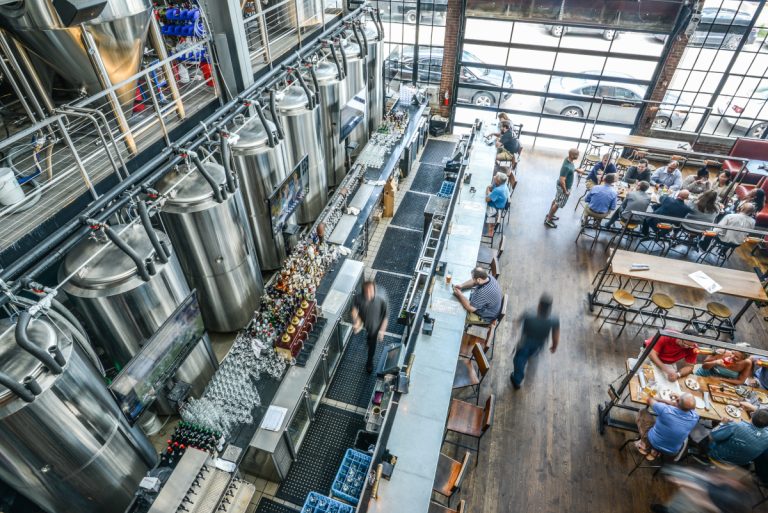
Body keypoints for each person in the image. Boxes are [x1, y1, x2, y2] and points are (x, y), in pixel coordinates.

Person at [509, 294, 559, 390]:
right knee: (533, 363)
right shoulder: (554, 318)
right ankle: (529, 382)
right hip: (539, 346)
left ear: (539, 304)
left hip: (524, 344)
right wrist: (554, 346)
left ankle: (517, 381)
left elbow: (517, 322)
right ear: (549, 307)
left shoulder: (529, 312)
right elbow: (556, 334)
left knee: (519, 361)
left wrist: (514, 331)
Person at [635, 392, 698, 459]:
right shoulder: (695, 417)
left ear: (677, 400)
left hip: (652, 442)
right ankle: (655, 452)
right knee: (664, 426)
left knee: (642, 412)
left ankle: (645, 445)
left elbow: (649, 399)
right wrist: (680, 400)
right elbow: (691, 407)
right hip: (672, 452)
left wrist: (661, 399)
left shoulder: (665, 410)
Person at [351, 281, 389, 373]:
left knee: (372, 344)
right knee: (369, 336)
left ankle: (369, 362)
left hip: (375, 324)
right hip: (365, 319)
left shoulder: (381, 300)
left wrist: (382, 331)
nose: (368, 293)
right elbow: (354, 309)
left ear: (374, 290)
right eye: (366, 291)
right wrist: (357, 321)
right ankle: (368, 338)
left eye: (370, 290)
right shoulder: (358, 297)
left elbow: (385, 317)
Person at [544, 148, 579, 229]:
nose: (577, 156)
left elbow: (570, 169)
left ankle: (550, 214)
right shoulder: (566, 166)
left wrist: (576, 170)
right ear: (571, 155)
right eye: (576, 155)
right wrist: (565, 191)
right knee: (558, 204)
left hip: (562, 187)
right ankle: (548, 220)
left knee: (556, 200)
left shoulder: (568, 160)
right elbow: (562, 180)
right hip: (563, 187)